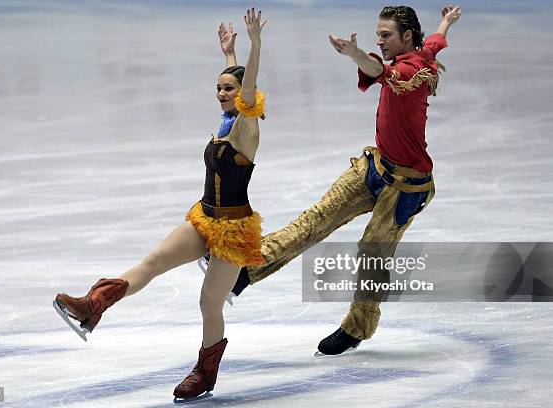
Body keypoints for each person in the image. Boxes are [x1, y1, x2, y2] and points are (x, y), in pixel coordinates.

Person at [204, 4, 462, 355]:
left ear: (406, 38)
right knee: (316, 219)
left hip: (405, 188)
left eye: (385, 36)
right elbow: (435, 41)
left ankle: (357, 327)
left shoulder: (410, 69)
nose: (381, 40)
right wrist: (445, 22)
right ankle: (247, 271)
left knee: (372, 254)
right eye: (378, 35)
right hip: (374, 167)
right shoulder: (424, 50)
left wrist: (354, 53)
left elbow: (378, 69)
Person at [53, 8, 267, 402]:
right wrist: (229, 55)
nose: (221, 94)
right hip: (204, 217)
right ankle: (92, 306)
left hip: (235, 231)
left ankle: (204, 373)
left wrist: (254, 48)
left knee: (208, 302)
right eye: (218, 88)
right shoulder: (226, 119)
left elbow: (248, 91)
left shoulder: (248, 128)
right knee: (152, 262)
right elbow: (238, 87)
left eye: (228, 89)